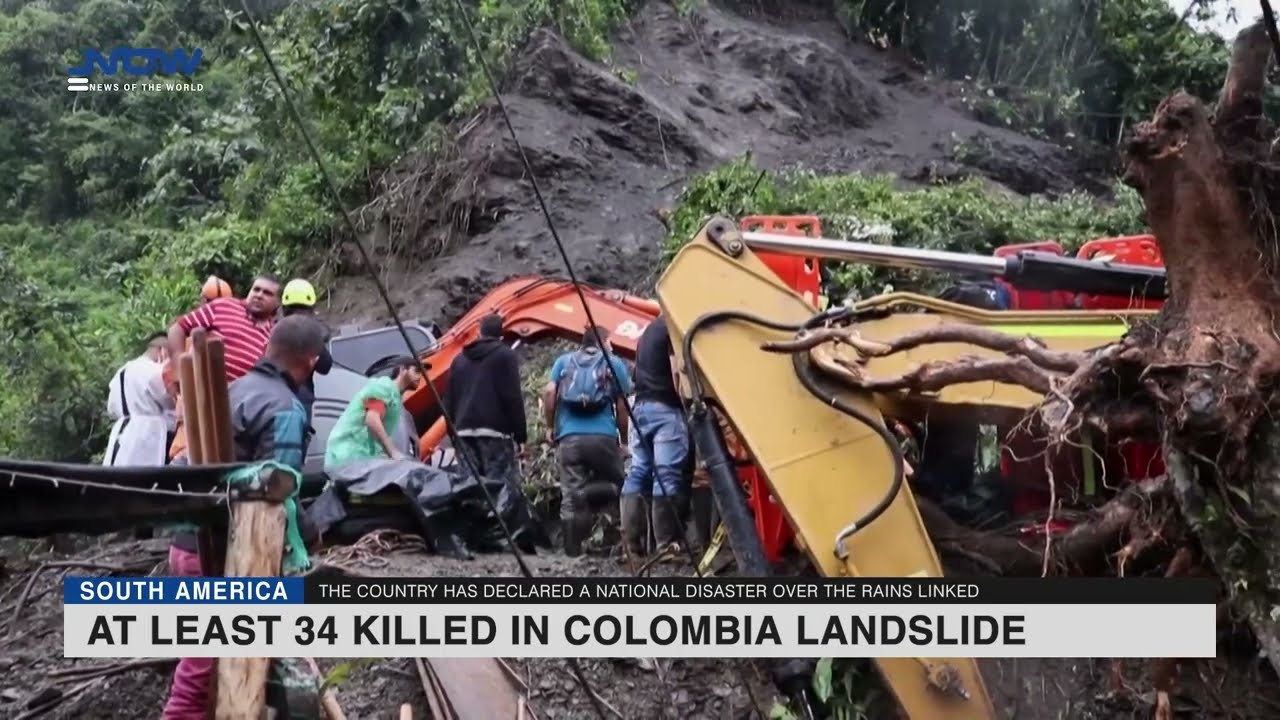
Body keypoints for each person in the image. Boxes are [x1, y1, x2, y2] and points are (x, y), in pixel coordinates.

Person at [162, 314, 326, 720]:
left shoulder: (229, 392)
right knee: (203, 671)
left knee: (218, 664)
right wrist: (311, 535)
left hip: (185, 545)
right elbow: (277, 494)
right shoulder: (285, 407)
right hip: (226, 555)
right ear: (309, 361)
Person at [164, 275, 278, 578]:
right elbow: (179, 327)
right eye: (255, 289)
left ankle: (216, 548)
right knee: (192, 468)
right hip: (203, 405)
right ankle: (186, 543)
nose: (258, 296)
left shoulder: (272, 332)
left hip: (238, 415)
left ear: (276, 303)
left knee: (225, 479)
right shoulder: (225, 308)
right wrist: (178, 362)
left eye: (267, 293)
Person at [541, 326, 632, 557]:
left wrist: (550, 427)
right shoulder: (613, 363)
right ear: (603, 341)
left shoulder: (563, 361)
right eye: (609, 341)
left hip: (570, 437)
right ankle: (619, 546)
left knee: (571, 496)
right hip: (603, 437)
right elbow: (622, 406)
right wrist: (623, 442)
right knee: (621, 484)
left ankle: (573, 553)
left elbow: (550, 393)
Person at [619, 314, 690, 557]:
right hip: (665, 410)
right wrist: (688, 403)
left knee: (638, 470)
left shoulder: (648, 331)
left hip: (640, 409)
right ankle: (665, 544)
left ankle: (631, 544)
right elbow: (677, 371)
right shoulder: (673, 325)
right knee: (665, 474)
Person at [441, 314, 527, 489]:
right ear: (501, 336)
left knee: (470, 490)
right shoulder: (505, 356)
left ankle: (473, 517)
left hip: (464, 433)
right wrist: (521, 436)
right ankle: (497, 517)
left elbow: (448, 400)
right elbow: (512, 398)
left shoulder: (459, 360)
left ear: (479, 333)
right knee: (499, 489)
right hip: (494, 434)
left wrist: (453, 435)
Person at [164, 276, 236, 461]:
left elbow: (168, 377)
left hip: (206, 413)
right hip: (205, 410)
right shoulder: (196, 337)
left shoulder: (193, 339)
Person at [324, 357, 423, 470]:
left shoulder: (395, 397)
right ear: (402, 370)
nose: (420, 376)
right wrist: (393, 452)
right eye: (416, 371)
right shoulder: (384, 387)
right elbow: (372, 419)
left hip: (358, 459)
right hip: (348, 457)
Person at [103, 332, 176, 467]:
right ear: (162, 350)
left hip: (122, 428)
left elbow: (111, 408)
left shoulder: (121, 371)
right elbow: (170, 400)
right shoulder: (154, 370)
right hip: (149, 430)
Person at [279, 277, 334, 455]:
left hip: (274, 399)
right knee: (295, 453)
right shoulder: (312, 334)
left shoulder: (273, 331)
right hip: (298, 400)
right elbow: (325, 366)